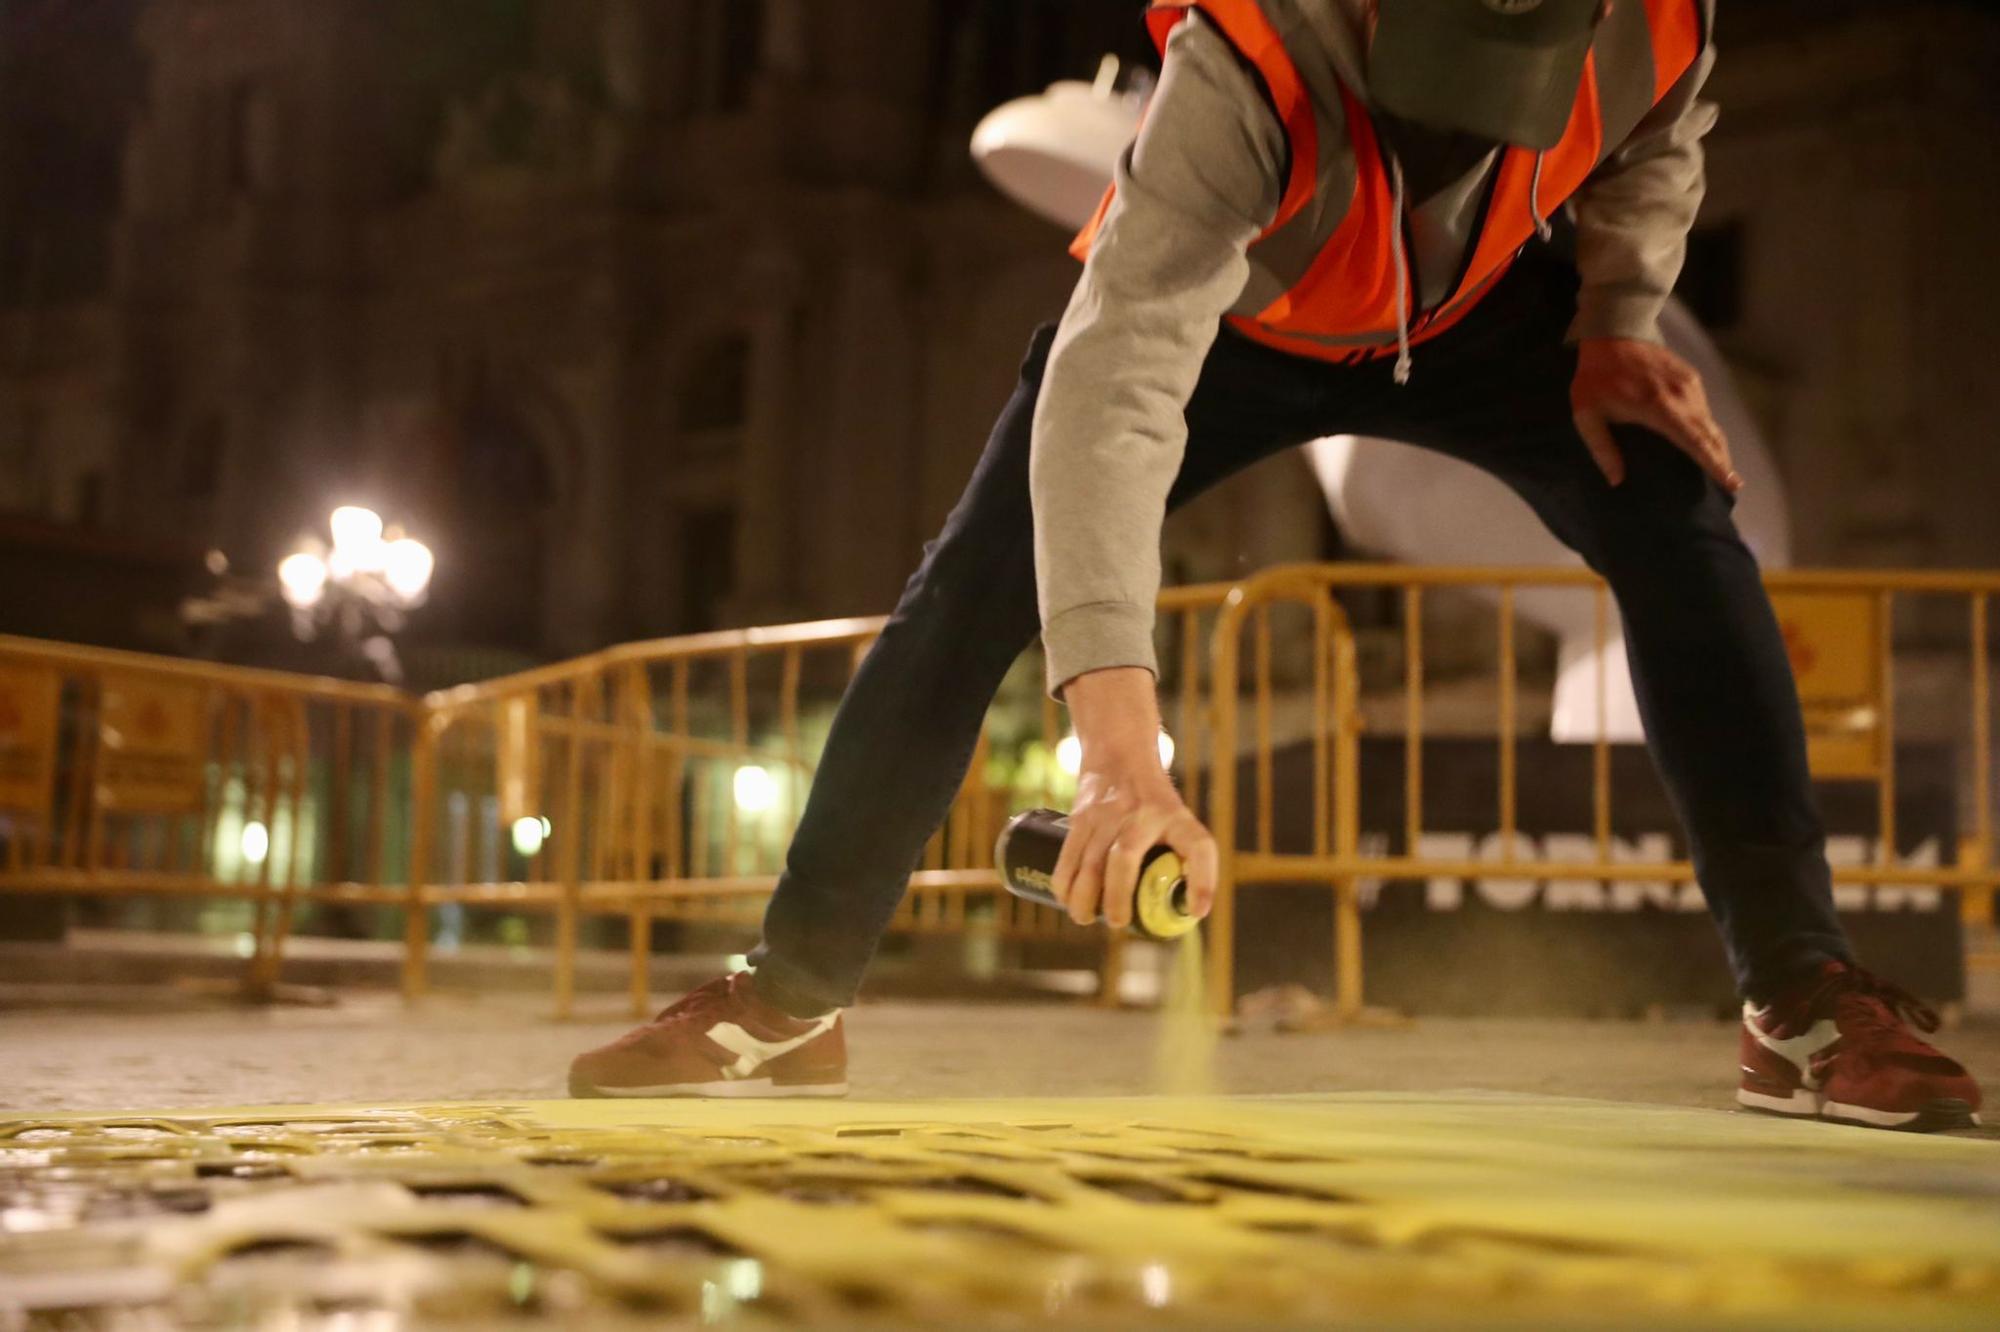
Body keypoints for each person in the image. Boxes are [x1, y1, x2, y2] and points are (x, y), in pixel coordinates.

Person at [570, 0, 1982, 1130]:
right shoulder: (1238, 63)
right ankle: (789, 996)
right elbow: (1117, 385)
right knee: (976, 578)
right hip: (1251, 320)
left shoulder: (1659, 17)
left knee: (1678, 518)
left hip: (1487, 314)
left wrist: (1619, 321)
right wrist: (1121, 758)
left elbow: (1658, 154)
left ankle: (1799, 1006)